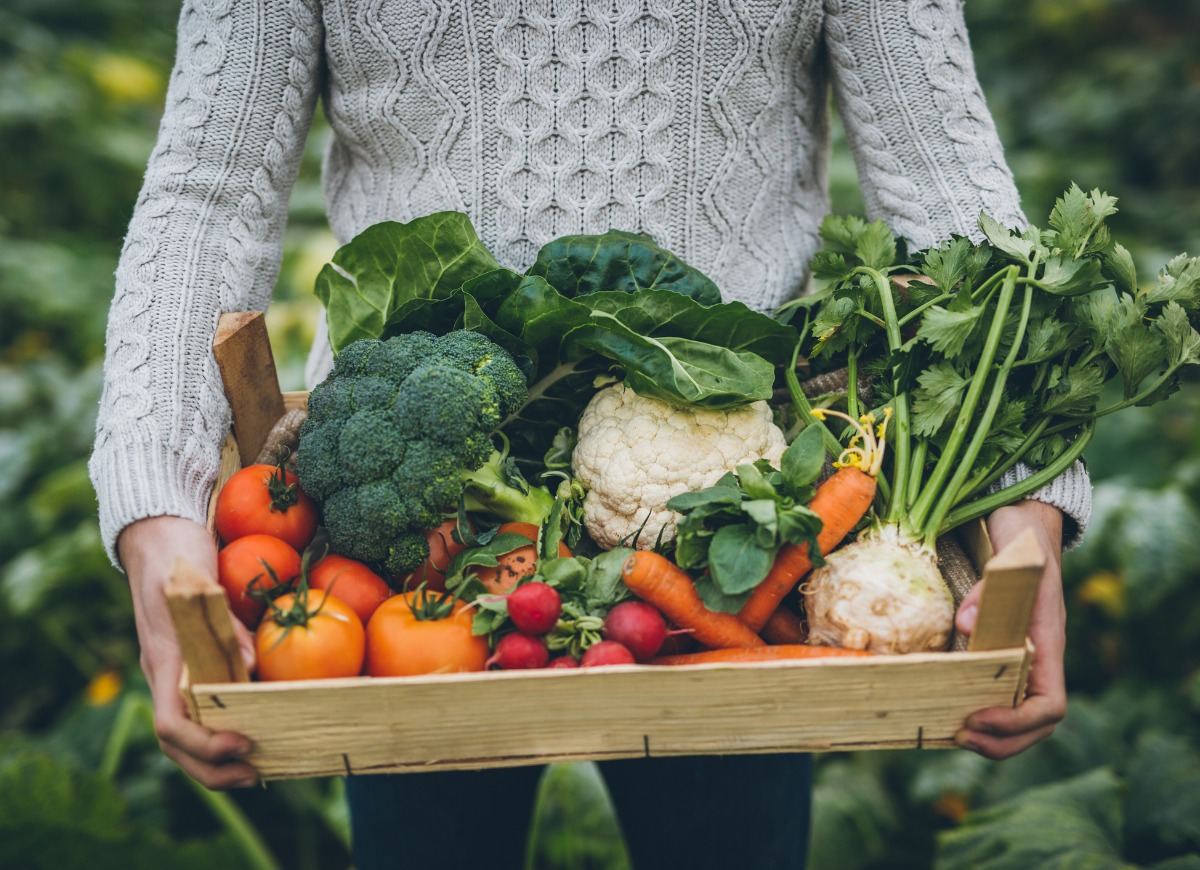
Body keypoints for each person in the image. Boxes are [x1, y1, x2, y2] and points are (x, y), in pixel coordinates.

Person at [91, 1, 1091, 867]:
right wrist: (156, 507)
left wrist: (1027, 503)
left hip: (741, 536)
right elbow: (206, 195)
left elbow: (944, 175)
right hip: (413, 537)